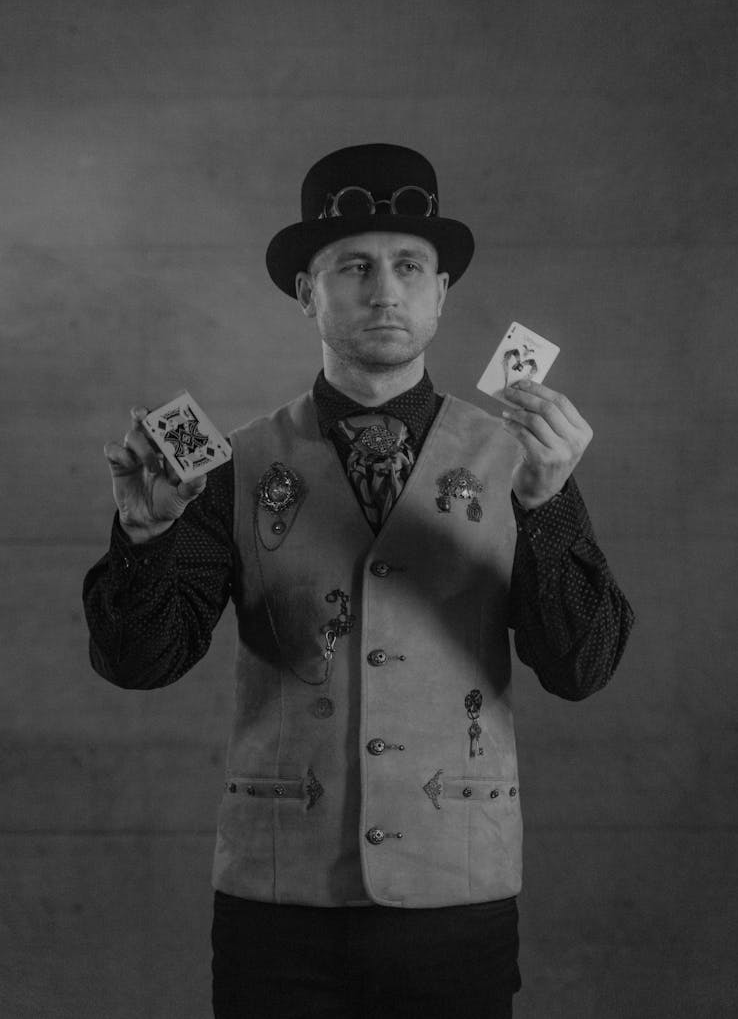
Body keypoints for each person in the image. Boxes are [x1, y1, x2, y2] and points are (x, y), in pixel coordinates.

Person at [83, 143, 635, 1018]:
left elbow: (582, 668)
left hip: (458, 891)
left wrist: (550, 507)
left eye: (409, 266)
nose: (385, 289)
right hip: (279, 900)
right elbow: (137, 661)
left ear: (442, 292)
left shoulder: (525, 463)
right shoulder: (228, 465)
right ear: (308, 291)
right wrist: (146, 535)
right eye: (354, 266)